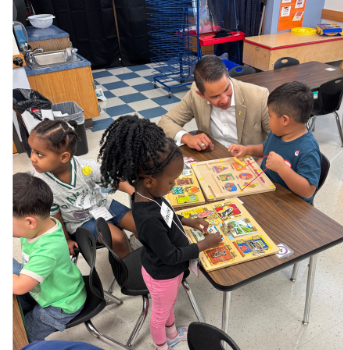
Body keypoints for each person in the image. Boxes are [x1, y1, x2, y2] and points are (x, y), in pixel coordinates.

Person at [98, 115, 222, 350]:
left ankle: (172, 333)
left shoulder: (149, 194)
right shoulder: (147, 218)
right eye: (171, 182)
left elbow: (169, 216)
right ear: (151, 180)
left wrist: (190, 221)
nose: (173, 186)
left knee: (170, 303)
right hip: (162, 274)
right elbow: (171, 256)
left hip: (169, 272)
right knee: (160, 311)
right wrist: (206, 243)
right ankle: (161, 345)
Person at [26, 119, 136, 257]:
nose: (32, 158)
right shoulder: (41, 185)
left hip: (103, 206)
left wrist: (134, 193)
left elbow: (112, 180)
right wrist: (66, 240)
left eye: (39, 154)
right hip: (79, 222)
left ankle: (140, 248)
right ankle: (128, 273)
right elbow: (54, 216)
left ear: (64, 157)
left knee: (141, 222)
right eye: (32, 151)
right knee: (118, 238)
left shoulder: (86, 168)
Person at [12, 172, 86, 342]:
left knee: (21, 337)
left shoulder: (47, 250)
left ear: (30, 222)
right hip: (50, 288)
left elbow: (21, 287)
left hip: (59, 305)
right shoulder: (45, 222)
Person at [228, 82, 321, 204]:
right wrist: (247, 149)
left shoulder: (308, 150)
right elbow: (265, 148)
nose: (268, 120)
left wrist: (282, 168)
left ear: (284, 120)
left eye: (270, 116)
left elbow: (308, 191)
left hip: (290, 208)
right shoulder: (278, 133)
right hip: (267, 194)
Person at [158, 56, 271, 151]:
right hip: (213, 158)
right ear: (201, 95)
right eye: (215, 96)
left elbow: (280, 138)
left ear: (227, 75)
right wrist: (187, 137)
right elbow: (166, 121)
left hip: (249, 163)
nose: (224, 100)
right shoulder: (195, 95)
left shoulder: (259, 96)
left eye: (227, 89)